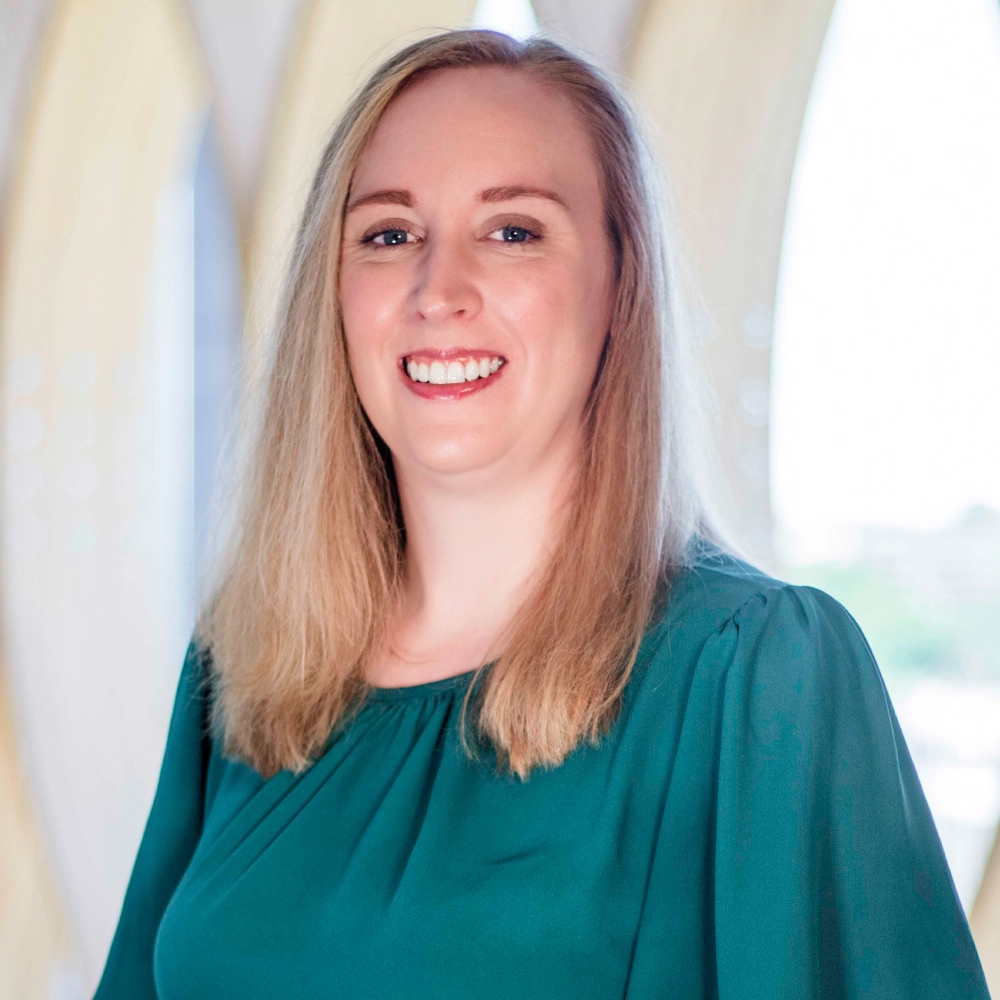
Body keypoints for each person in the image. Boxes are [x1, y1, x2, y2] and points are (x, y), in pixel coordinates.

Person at [94, 29, 989, 999]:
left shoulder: (754, 674)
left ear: (619, 285)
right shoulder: (246, 669)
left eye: (512, 231)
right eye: (389, 235)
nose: (440, 292)